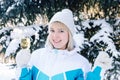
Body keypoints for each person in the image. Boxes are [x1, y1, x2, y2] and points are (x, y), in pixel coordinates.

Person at [16, 9, 101, 80]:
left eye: (61, 31)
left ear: (69, 34)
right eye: (52, 30)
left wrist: (97, 72)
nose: (55, 36)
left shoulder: (80, 63)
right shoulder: (37, 56)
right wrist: (23, 68)